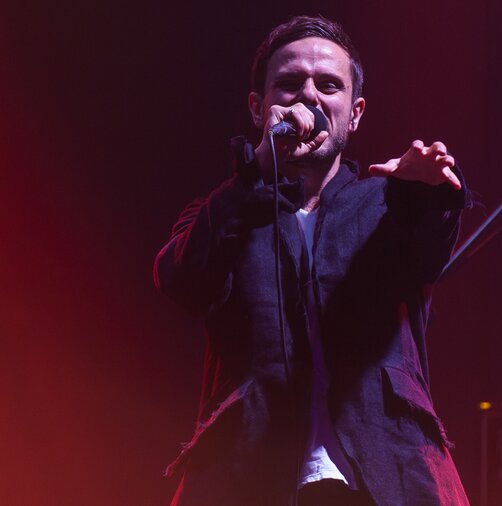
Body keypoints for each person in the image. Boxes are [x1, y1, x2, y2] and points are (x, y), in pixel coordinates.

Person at [154, 15, 469, 506]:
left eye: (328, 85)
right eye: (289, 84)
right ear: (258, 108)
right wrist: (256, 172)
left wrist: (429, 191)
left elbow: (430, 242)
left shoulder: (389, 203)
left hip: (389, 480)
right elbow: (180, 278)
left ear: (355, 113)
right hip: (250, 480)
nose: (308, 96)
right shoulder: (226, 212)